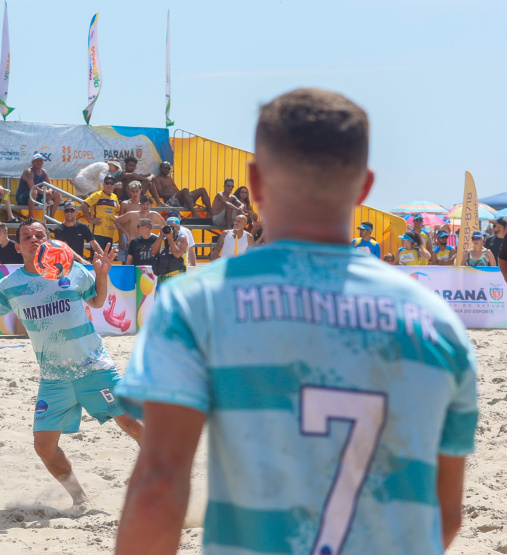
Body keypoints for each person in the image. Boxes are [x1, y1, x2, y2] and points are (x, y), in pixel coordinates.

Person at [115, 88, 476, 555]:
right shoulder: (440, 327)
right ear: (364, 187)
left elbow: (159, 489)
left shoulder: (197, 304)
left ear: (256, 181)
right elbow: (444, 517)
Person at [0, 219, 144, 506]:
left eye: (39, 235)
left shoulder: (71, 269)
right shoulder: (10, 285)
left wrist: (101, 274)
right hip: (54, 377)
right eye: (26, 236)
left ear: (48, 241)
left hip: (92, 366)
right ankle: (81, 499)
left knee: (133, 424)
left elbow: (95, 302)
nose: (33, 239)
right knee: (44, 446)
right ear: (18, 246)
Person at [81, 175, 120, 255]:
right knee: (97, 258)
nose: (109, 185)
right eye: (107, 183)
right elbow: (84, 205)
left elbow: (118, 210)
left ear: (114, 185)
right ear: (103, 184)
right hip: (97, 233)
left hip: (109, 233)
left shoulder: (115, 197)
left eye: (112, 183)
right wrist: (90, 220)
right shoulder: (97, 195)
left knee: (106, 259)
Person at [150, 216, 187, 284]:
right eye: (169, 227)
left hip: (177, 274)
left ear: (178, 228)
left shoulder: (181, 238)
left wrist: (170, 239)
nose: (171, 229)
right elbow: (153, 252)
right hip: (163, 274)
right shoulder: (162, 238)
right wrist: (161, 235)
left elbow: (177, 255)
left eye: (173, 227)